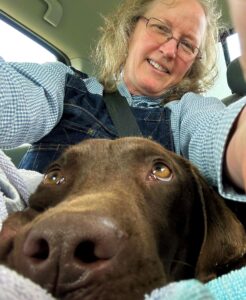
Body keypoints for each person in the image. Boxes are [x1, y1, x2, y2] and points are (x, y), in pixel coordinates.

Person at [0, 0, 246, 206]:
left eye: (187, 45)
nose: (171, 50)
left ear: (193, 64)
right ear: (130, 31)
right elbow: (10, 97)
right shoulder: (62, 85)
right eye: (161, 28)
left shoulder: (186, 113)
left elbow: (220, 134)